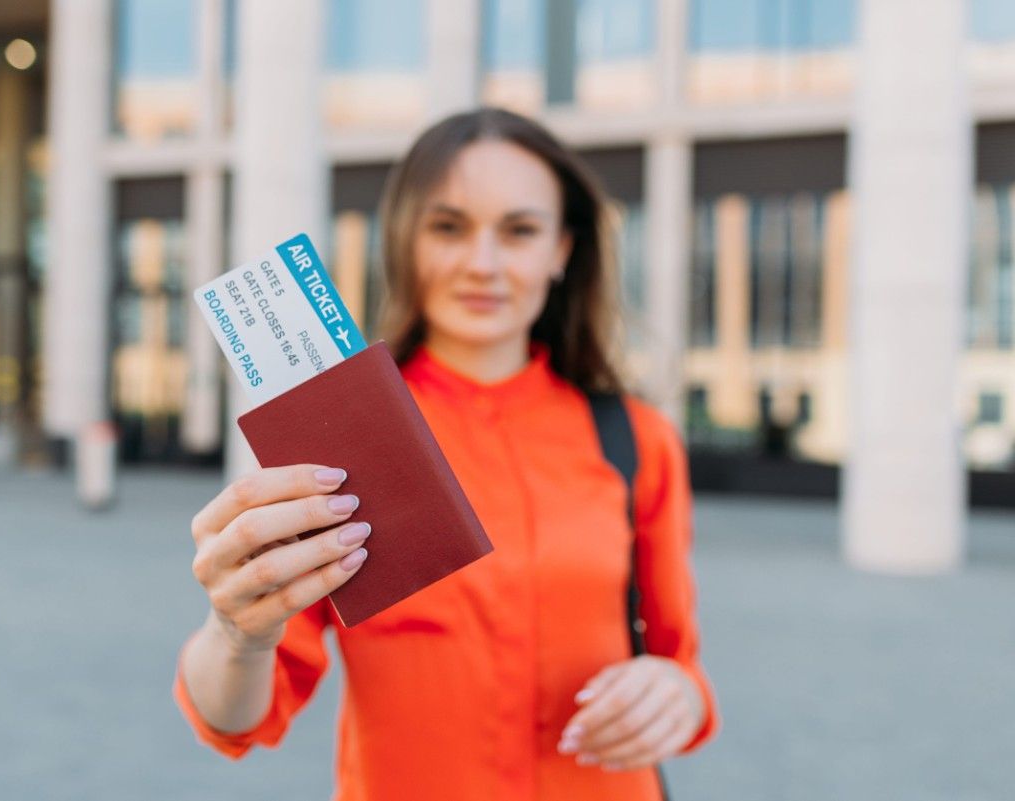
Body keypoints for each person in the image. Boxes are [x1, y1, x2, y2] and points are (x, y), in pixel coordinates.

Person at [174, 107, 719, 800]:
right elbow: (237, 716)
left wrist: (676, 694)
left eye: (519, 231)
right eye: (449, 227)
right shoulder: (338, 439)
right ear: (406, 240)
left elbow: (680, 663)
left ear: (561, 249)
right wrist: (236, 633)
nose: (482, 264)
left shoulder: (638, 438)